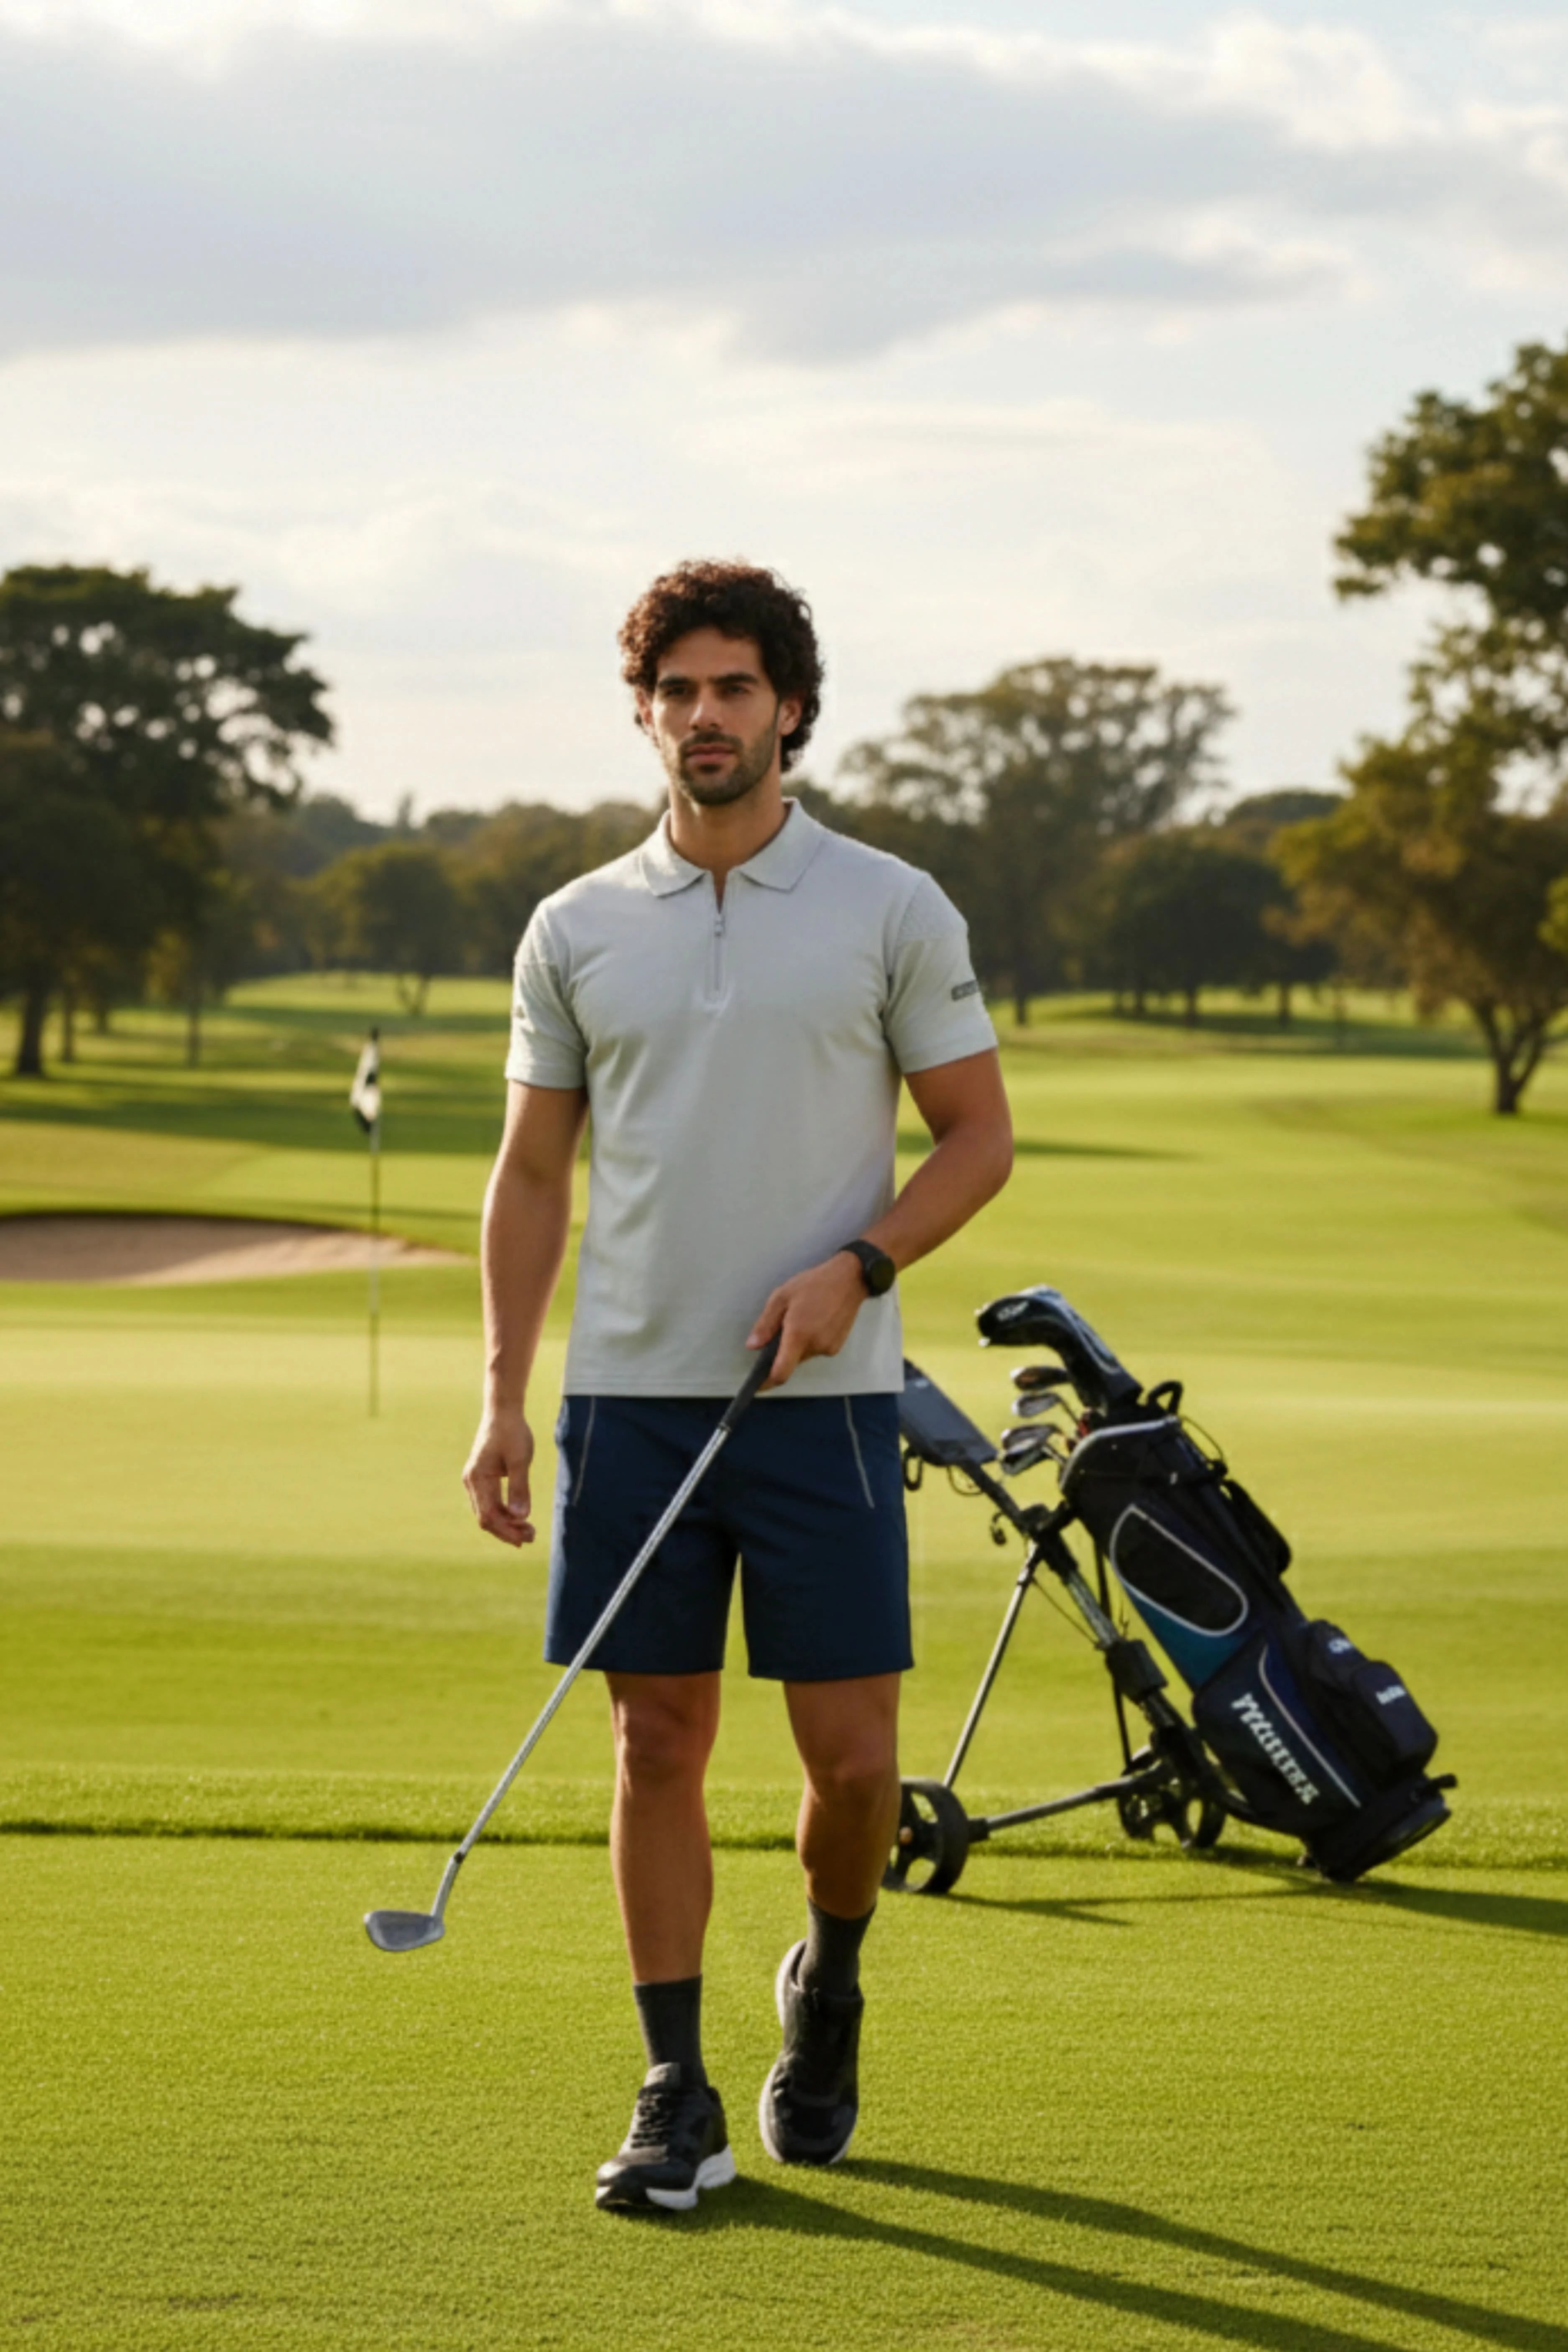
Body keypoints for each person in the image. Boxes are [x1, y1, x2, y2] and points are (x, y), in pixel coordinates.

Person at [462, 559, 1012, 2213]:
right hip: (632, 1399)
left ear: (786, 708)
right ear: (645, 712)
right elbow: (531, 1179)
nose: (704, 719)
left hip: (823, 1407)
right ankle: (670, 2088)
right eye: (676, 692)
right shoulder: (572, 927)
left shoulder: (889, 905)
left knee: (852, 1765)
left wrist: (860, 1266)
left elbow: (975, 1138)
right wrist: (500, 1396)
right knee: (655, 1745)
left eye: (732, 690)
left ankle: (827, 1981)